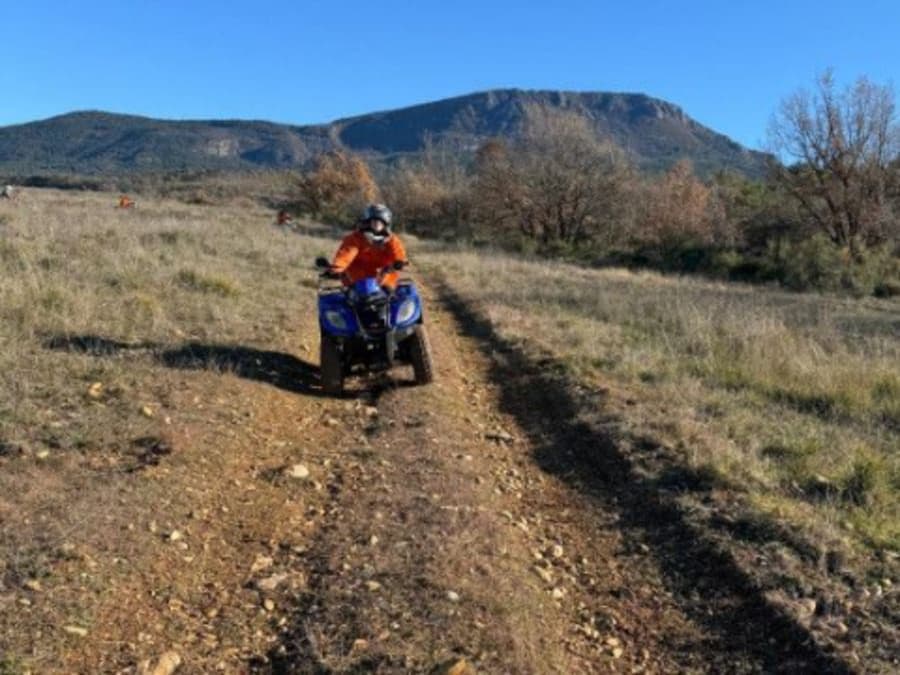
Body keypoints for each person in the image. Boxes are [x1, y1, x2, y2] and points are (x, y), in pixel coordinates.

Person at [325, 203, 408, 291]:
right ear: (367, 222)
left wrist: (400, 262)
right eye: (374, 220)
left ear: (386, 224)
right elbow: (345, 255)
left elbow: (399, 254)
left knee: (393, 300)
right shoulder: (355, 238)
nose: (377, 224)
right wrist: (336, 269)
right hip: (357, 280)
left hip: (384, 279)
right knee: (349, 301)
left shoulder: (392, 240)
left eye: (380, 221)